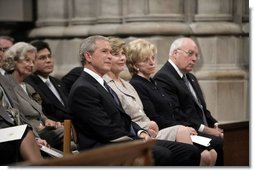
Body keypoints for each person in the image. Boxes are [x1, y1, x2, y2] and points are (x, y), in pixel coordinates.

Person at [68, 35, 200, 166]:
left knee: (189, 151)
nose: (109, 56)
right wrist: (137, 138)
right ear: (88, 56)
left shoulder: (101, 84)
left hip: (123, 141)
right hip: (104, 149)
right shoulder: (83, 88)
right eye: (104, 51)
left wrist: (140, 131)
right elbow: (106, 129)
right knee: (163, 154)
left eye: (110, 52)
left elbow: (123, 118)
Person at [125, 38, 217, 166]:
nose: (152, 62)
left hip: (175, 127)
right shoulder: (137, 85)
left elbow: (173, 111)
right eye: (146, 60)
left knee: (212, 153)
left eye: (152, 58)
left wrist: (185, 126)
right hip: (163, 130)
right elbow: (154, 117)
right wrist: (182, 127)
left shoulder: (153, 82)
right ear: (135, 65)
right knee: (205, 155)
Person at [152, 37, 224, 165]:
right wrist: (207, 130)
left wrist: (215, 125)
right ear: (175, 54)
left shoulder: (190, 77)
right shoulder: (164, 77)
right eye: (190, 54)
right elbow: (177, 113)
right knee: (216, 142)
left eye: (196, 55)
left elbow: (201, 108)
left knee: (225, 138)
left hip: (198, 129)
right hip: (187, 131)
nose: (194, 59)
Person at [2, 42, 64, 151]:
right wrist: (36, 129)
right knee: (66, 133)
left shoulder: (29, 87)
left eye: (33, 61)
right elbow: (16, 115)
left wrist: (46, 120)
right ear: (14, 61)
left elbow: (39, 110)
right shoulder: (7, 85)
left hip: (43, 130)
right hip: (29, 133)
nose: (31, 64)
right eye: (27, 60)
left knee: (68, 137)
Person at [0, 73, 47, 164]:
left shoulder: (3, 79)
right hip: (6, 132)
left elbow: (17, 112)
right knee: (25, 134)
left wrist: (36, 139)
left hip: (12, 130)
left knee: (26, 132)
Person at [25, 40, 70, 122]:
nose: (48, 60)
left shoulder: (58, 82)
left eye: (49, 56)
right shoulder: (29, 84)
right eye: (42, 58)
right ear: (31, 61)